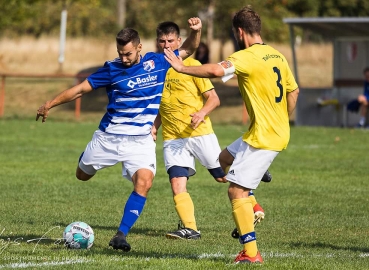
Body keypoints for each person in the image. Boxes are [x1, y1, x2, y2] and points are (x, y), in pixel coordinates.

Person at [35, 17, 202, 252]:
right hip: (108, 138)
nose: (124, 59)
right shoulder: (111, 69)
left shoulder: (160, 62)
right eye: (120, 54)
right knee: (82, 176)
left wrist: (197, 31)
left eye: (128, 54)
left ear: (139, 48)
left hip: (141, 140)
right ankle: (86, 157)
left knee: (144, 183)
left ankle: (120, 235)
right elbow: (80, 89)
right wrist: (50, 103)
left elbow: (189, 49)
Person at [164, 6, 299, 264]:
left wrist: (182, 68)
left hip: (264, 137)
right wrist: (283, 119)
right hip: (267, 132)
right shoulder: (277, 55)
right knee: (223, 159)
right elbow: (294, 92)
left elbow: (215, 70)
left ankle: (251, 253)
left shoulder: (247, 56)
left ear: (239, 31)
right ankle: (250, 209)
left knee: (236, 192)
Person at [152, 21, 271, 241]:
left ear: (179, 41)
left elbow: (214, 99)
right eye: (162, 41)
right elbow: (163, 103)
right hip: (173, 137)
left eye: (171, 40)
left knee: (222, 176)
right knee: (176, 180)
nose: (166, 45)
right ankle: (190, 228)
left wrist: (201, 113)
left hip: (199, 134)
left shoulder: (193, 65)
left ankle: (253, 203)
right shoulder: (156, 69)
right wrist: (154, 126)